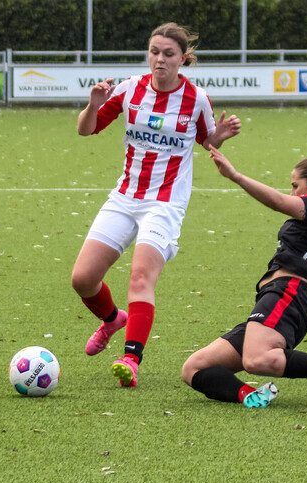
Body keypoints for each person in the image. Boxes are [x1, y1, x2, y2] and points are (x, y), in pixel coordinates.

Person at [73, 23, 241, 388]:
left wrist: (219, 136)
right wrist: (93, 105)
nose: (159, 59)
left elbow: (205, 139)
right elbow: (86, 130)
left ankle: (131, 359)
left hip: (165, 203)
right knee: (83, 279)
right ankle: (112, 320)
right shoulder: (129, 89)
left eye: (168, 54)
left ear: (183, 59)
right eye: (154, 51)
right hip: (125, 196)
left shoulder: (196, 98)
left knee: (140, 277)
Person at [181, 146, 307, 408]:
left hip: (288, 293)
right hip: (284, 301)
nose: (292, 192)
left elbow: (280, 203)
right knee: (195, 368)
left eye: (295, 185)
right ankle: (253, 396)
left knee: (257, 360)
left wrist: (235, 176)